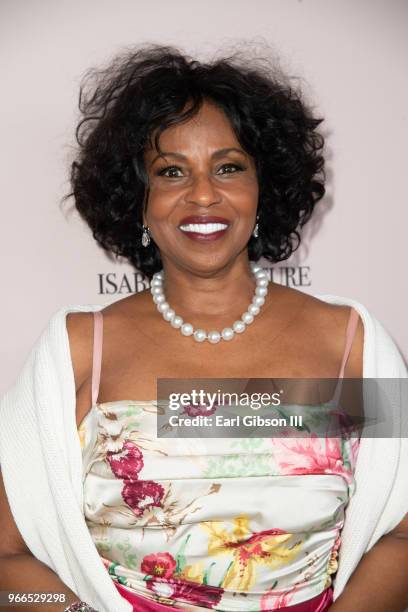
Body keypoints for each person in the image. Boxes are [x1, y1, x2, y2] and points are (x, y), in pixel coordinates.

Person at [0, 43, 407, 612]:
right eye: (171, 172)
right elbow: (6, 562)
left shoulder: (352, 343)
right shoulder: (75, 350)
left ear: (263, 186)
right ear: (138, 203)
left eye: (228, 166)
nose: (202, 195)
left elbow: (404, 534)